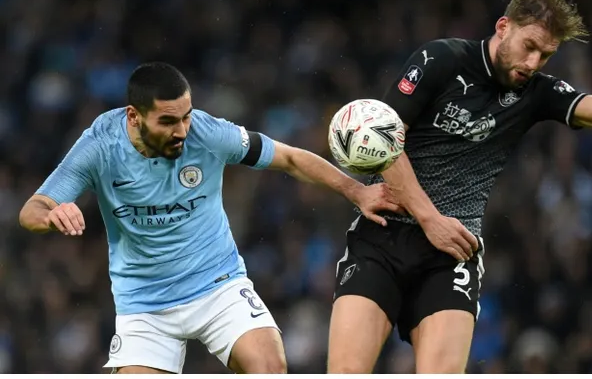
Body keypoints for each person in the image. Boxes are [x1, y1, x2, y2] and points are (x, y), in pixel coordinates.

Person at [328, 0, 592, 373]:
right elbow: (383, 141)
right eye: (529, 46)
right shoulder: (442, 59)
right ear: (504, 27)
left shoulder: (536, 92)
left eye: (546, 55)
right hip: (384, 236)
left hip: (451, 255)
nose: (533, 63)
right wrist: (429, 218)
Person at [18, 62, 402, 374]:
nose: (182, 131)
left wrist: (356, 190)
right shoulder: (100, 145)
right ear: (134, 117)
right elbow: (32, 210)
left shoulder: (207, 133)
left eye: (185, 117)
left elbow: (288, 158)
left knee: (269, 366)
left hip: (218, 285)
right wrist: (54, 214)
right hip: (145, 305)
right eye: (168, 121)